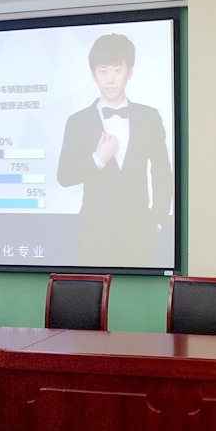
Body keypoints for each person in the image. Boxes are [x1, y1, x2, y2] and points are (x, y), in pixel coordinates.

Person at [57, 33, 173, 267]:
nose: (110, 79)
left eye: (117, 70)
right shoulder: (78, 121)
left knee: (139, 290)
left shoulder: (149, 117)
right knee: (93, 290)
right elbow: (64, 176)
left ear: (130, 72)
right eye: (103, 71)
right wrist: (97, 159)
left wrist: (158, 220)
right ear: (94, 75)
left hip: (139, 233)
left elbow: (162, 172)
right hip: (94, 235)